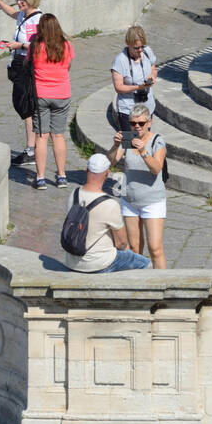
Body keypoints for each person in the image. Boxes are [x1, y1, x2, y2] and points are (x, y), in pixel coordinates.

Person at [0, 0, 42, 165]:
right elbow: (12, 13)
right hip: (18, 64)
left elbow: (40, 45)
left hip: (27, 65)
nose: (19, 3)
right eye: (17, 0)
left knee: (26, 106)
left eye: (22, 0)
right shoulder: (24, 15)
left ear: (30, 0)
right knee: (21, 105)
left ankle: (31, 149)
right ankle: (31, 148)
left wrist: (19, 46)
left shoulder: (38, 20)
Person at [61, 153, 151, 272]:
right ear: (107, 174)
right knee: (146, 264)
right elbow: (122, 242)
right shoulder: (110, 204)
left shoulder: (74, 193)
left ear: (87, 170)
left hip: (71, 261)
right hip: (98, 262)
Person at [108, 104, 167, 268]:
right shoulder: (128, 139)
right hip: (130, 201)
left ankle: (163, 283)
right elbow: (111, 161)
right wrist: (115, 146)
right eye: (133, 123)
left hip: (153, 201)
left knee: (155, 248)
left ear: (149, 122)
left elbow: (156, 169)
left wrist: (143, 152)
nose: (137, 127)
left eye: (141, 123)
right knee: (134, 249)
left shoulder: (157, 141)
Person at [31, 12, 75, 190]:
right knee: (58, 135)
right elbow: (68, 66)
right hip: (62, 94)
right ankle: (62, 176)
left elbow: (30, 65)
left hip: (41, 94)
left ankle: (40, 177)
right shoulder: (66, 45)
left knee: (41, 137)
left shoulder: (36, 46)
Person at [111, 24, 157, 135]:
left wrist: (152, 76)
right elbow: (118, 87)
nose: (140, 50)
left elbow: (153, 68)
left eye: (142, 46)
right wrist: (138, 87)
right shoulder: (120, 60)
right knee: (130, 145)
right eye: (136, 48)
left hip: (146, 107)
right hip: (128, 109)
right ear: (128, 43)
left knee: (145, 143)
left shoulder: (147, 51)